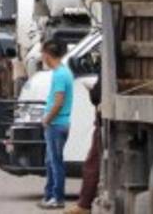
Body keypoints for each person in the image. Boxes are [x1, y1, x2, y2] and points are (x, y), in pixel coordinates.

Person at [39, 40, 74, 210]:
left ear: (47, 54)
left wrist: (47, 119)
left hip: (56, 124)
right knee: (51, 161)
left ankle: (57, 197)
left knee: (55, 162)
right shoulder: (63, 72)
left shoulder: (60, 74)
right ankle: (49, 195)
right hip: (59, 123)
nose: (41, 57)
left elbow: (58, 102)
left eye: (42, 53)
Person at [66, 78, 102, 214]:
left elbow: (97, 95)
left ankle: (84, 205)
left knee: (92, 163)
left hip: (103, 118)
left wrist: (93, 93)